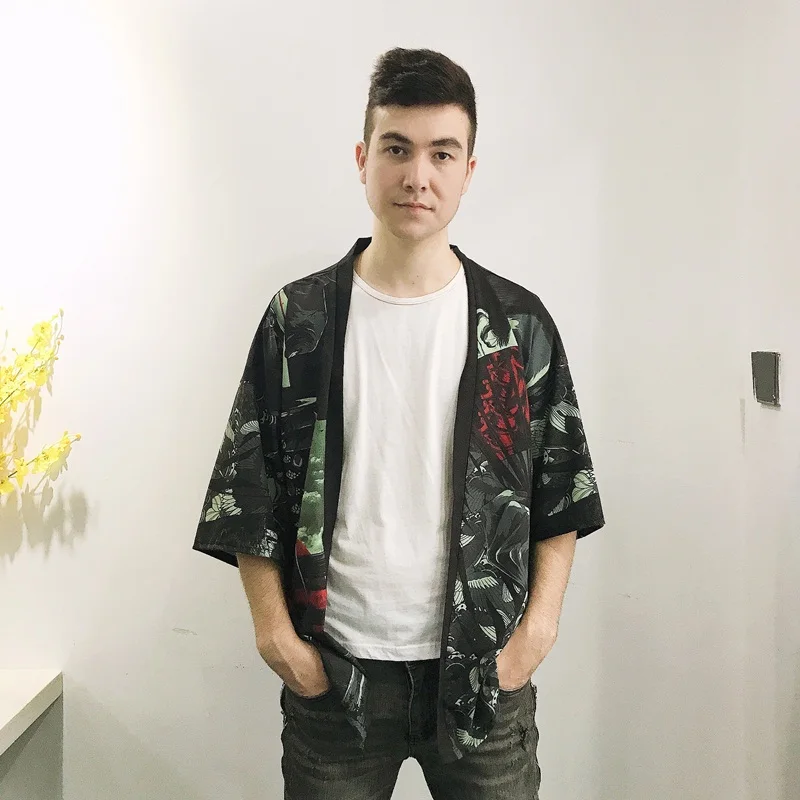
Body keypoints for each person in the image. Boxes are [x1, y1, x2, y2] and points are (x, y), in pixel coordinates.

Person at [193, 46, 605, 800]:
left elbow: (562, 488)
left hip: (483, 676)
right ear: (363, 159)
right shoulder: (300, 319)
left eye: (442, 153)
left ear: (468, 171)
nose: (419, 176)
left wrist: (535, 634)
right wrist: (276, 636)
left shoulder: (516, 326)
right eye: (397, 149)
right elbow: (247, 489)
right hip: (336, 677)